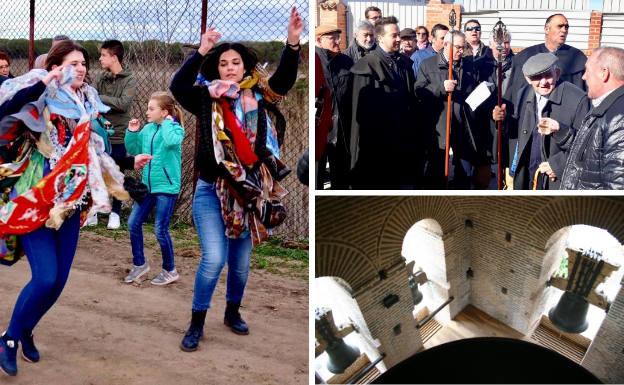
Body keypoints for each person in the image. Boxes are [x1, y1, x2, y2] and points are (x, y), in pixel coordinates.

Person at [170, 6, 302, 352]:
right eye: (223, 63)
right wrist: (200, 51)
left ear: (246, 67)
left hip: (249, 192)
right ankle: (196, 322)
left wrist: (292, 44)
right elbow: (176, 85)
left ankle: (232, 313)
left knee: (241, 266)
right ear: (216, 67)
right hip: (211, 191)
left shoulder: (257, 95)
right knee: (213, 258)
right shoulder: (203, 96)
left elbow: (283, 82)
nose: (229, 68)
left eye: (236, 63)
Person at [0, 40, 130, 377]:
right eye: (73, 62)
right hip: (36, 201)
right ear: (55, 67)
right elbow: (4, 113)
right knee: (44, 277)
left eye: (84, 62)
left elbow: (94, 152)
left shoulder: (86, 104)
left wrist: (130, 161)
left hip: (70, 205)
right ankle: (9, 339)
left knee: (58, 283)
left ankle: (26, 329)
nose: (82, 67)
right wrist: (44, 82)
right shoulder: (37, 96)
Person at [492, 53, 590, 190]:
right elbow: (519, 132)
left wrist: (558, 165)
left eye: (548, 75)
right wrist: (502, 120)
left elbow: (587, 144)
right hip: (527, 171)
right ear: (527, 79)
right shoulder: (523, 93)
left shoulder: (578, 99)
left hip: (554, 179)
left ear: (557, 73)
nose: (543, 82)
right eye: (537, 77)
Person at [350, 16, 421, 189]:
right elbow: (361, 115)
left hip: (402, 142)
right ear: (380, 37)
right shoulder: (366, 66)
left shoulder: (404, 64)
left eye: (399, 35)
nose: (399, 39)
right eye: (394, 35)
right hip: (377, 146)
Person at [122, 92, 184, 285]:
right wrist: (132, 132)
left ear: (164, 112)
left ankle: (169, 270)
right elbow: (134, 150)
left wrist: (167, 121)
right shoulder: (147, 129)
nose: (147, 112)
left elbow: (171, 141)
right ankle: (140, 265)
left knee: (160, 230)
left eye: (151, 109)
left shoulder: (175, 129)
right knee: (133, 223)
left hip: (166, 187)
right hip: (147, 187)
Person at [416, 30, 486, 189]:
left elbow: (473, 89)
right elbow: (419, 90)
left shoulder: (469, 65)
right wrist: (441, 88)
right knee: (437, 167)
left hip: (463, 124)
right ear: (446, 45)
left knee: (465, 168)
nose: (461, 51)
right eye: (458, 47)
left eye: (463, 48)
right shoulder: (428, 64)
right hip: (439, 124)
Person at [560, 47, 624, 189]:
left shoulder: (619, 118)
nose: (583, 77)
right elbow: (592, 155)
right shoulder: (606, 108)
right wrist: (561, 133)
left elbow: (617, 188)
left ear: (604, 73)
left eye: (587, 70)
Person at [94, 39, 138, 229]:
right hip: (100, 134)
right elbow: (91, 102)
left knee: (117, 172)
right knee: (96, 172)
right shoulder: (101, 78)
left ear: (114, 57)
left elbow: (123, 104)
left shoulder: (129, 79)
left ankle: (115, 213)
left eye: (104, 55)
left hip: (119, 135)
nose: (100, 58)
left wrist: (100, 98)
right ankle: (94, 210)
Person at [506, 13, 586, 107]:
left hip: (564, 113)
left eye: (566, 27)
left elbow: (582, 95)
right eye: (560, 26)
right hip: (530, 112)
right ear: (546, 29)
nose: (564, 30)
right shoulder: (525, 56)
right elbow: (514, 92)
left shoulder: (577, 58)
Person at [315, 25, 353, 189]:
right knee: (317, 177)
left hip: (342, 130)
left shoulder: (346, 61)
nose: (338, 41)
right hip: (320, 130)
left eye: (339, 37)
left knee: (341, 179)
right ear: (319, 40)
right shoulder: (315, 62)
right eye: (332, 38)